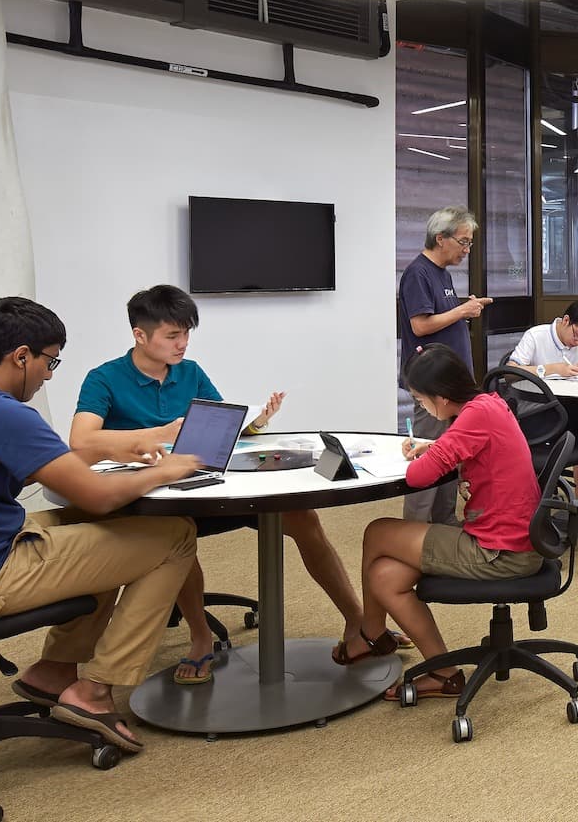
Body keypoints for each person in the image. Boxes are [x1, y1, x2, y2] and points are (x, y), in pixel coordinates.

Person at [0, 297, 200, 755]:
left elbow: (40, 465)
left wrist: (111, 452)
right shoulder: (3, 413)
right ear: (21, 356)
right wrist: (166, 471)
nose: (50, 374)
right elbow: (99, 494)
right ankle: (93, 692)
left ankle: (53, 671)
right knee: (174, 536)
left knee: (105, 529)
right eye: (50, 361)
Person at [70, 284, 406, 684]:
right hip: (155, 497)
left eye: (187, 333)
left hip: (208, 483)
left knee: (304, 518)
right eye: (172, 336)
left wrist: (255, 424)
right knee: (177, 535)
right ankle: (200, 637)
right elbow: (81, 442)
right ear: (139, 335)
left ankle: (358, 626)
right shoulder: (104, 379)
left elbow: (219, 426)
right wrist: (161, 433)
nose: (183, 344)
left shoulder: (190, 373)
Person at [334, 345, 542, 700]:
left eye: (420, 399)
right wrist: (437, 449)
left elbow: (417, 477)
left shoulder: (472, 418)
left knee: (377, 532)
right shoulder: (487, 404)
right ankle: (444, 672)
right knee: (384, 576)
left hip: (499, 549)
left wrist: (431, 454)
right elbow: (467, 448)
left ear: (442, 399)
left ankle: (369, 635)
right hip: (514, 537)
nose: (420, 406)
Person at [398, 206, 491, 525]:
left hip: (450, 388)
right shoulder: (418, 273)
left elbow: (442, 319)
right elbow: (420, 326)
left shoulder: (443, 274)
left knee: (450, 456)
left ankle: (444, 525)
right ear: (441, 238)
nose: (467, 249)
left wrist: (466, 307)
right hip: (432, 387)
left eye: (469, 243)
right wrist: (463, 310)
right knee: (428, 456)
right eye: (463, 242)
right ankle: (413, 531)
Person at [508, 299, 578, 496]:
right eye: (577, 335)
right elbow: (510, 371)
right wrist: (549, 369)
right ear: (566, 320)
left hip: (571, 407)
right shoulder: (537, 335)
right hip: (537, 411)